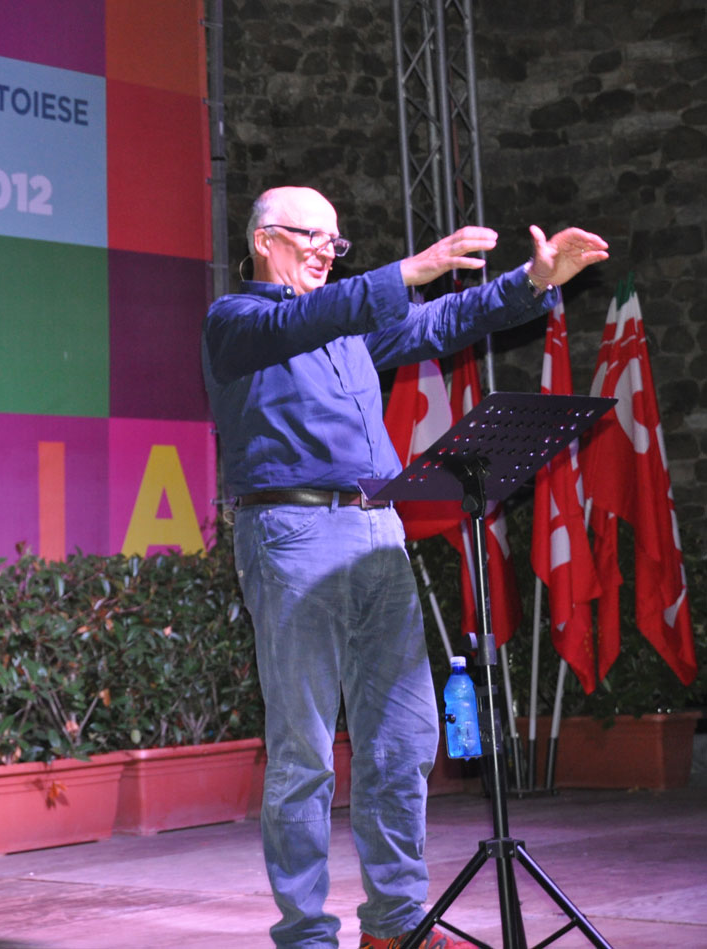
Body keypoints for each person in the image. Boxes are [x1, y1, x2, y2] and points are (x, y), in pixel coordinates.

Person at [201, 186, 608, 949]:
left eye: (335, 241)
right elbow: (307, 319)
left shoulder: (346, 323)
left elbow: (441, 321)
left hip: (378, 531)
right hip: (292, 533)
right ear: (263, 240)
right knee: (304, 752)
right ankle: (306, 935)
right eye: (311, 237)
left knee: (403, 737)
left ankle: (394, 927)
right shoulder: (237, 321)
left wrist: (532, 281)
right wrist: (408, 270)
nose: (326, 252)